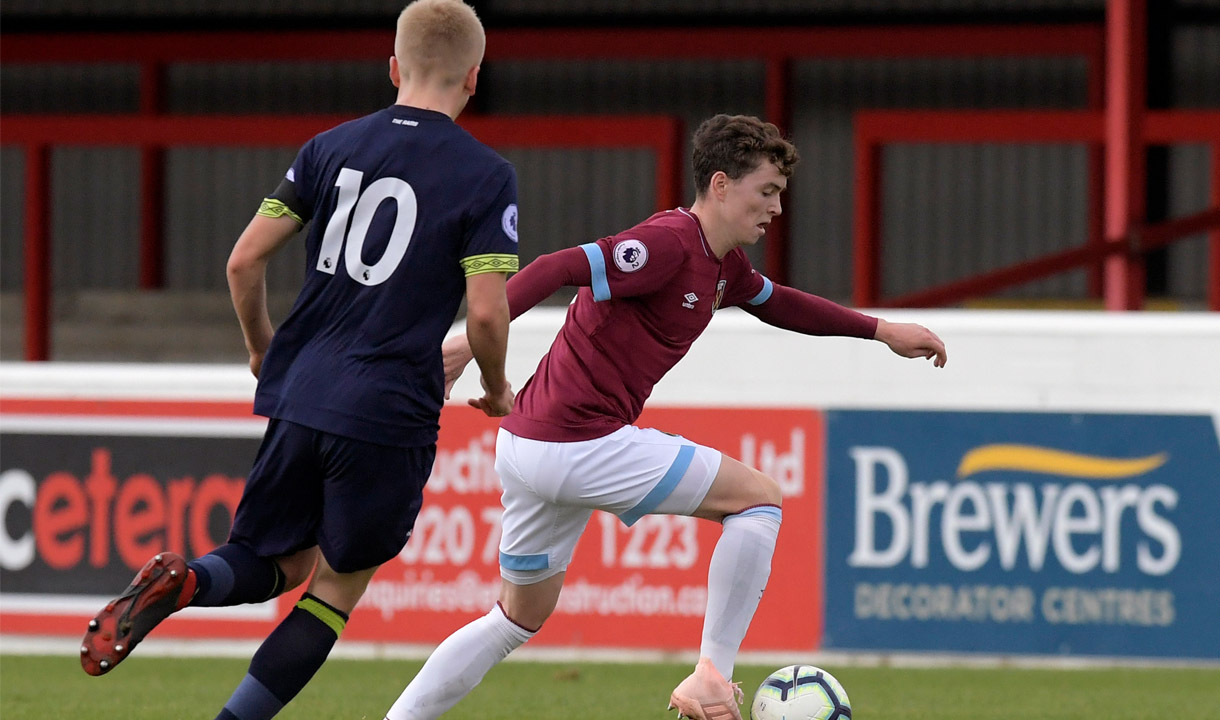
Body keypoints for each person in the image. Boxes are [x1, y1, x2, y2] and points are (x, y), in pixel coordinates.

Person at [381, 113, 947, 720]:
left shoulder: (723, 265)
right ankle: (711, 676)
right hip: (580, 442)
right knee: (757, 501)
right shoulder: (668, 244)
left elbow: (780, 303)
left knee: (513, 619)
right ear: (722, 185)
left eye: (781, 194)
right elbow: (553, 267)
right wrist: (469, 343)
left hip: (527, 446)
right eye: (768, 192)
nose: (777, 208)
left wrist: (882, 329)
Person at [78, 3, 518, 719]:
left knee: (275, 560)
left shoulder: (328, 147)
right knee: (334, 590)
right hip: (387, 406)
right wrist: (497, 388)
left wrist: (262, 348)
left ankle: (184, 581)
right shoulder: (484, 175)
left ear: (393, 67)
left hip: (302, 389)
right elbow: (487, 313)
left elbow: (243, 261)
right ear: (475, 76)